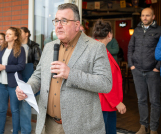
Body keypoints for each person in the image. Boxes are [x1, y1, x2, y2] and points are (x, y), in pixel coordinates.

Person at [16, 3, 112, 134]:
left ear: (77, 25)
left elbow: (105, 83)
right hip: (48, 124)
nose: (58, 25)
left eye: (64, 21)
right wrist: (27, 88)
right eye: (56, 21)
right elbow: (38, 75)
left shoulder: (95, 48)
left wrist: (70, 74)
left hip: (80, 126)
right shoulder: (49, 46)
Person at [127, 8, 161, 134]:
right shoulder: (137, 30)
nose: (144, 18)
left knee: (154, 101)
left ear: (153, 16)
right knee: (141, 100)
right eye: (143, 15)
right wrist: (131, 65)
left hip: (153, 71)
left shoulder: (160, 30)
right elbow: (130, 48)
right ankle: (143, 127)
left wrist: (157, 68)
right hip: (137, 70)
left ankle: (153, 129)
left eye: (147, 15)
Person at [93, 19, 126, 134]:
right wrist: (116, 102)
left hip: (106, 104)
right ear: (109, 35)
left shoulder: (100, 49)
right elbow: (102, 82)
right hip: (104, 104)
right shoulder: (100, 52)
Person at [0, 27, 25, 134]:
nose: (6, 35)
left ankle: (15, 132)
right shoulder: (2, 48)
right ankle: (0, 132)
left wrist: (4, 67)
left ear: (15, 37)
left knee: (15, 110)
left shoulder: (20, 49)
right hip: (1, 84)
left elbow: (21, 66)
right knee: (2, 110)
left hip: (13, 84)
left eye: (10, 34)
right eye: (6, 33)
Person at [19, 27, 41, 134]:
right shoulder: (16, 46)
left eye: (21, 32)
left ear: (27, 34)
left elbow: (39, 63)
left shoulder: (34, 46)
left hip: (30, 77)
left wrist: (34, 79)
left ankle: (26, 131)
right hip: (18, 77)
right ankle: (20, 127)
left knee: (25, 104)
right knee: (19, 104)